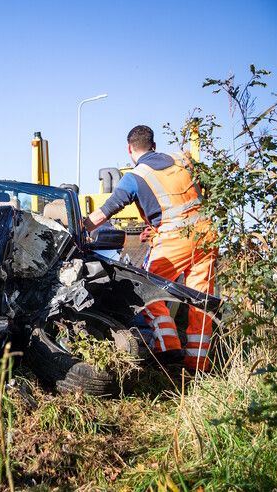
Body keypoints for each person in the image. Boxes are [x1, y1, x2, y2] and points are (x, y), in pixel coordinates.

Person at [84, 125, 217, 372]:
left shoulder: (136, 176)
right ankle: (198, 364)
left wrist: (82, 226)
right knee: (201, 301)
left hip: (175, 239)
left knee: (145, 290)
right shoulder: (182, 161)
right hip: (207, 236)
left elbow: (108, 210)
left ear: (129, 149)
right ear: (153, 145)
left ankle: (168, 347)